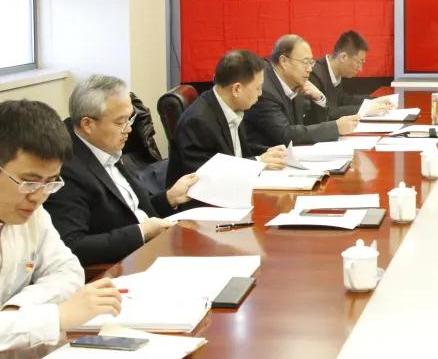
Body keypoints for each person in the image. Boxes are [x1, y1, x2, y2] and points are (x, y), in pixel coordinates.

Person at [0, 99, 121, 351]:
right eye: (29, 182)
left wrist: (17, 309)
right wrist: (55, 317)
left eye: (51, 183)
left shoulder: (33, 213)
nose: (39, 196)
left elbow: (68, 271)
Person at [46, 76, 200, 266]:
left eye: (130, 119)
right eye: (120, 122)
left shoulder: (104, 145)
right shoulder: (65, 169)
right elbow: (73, 246)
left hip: (154, 247)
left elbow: (131, 210)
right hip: (125, 265)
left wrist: (169, 198)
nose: (129, 129)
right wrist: (141, 232)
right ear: (87, 124)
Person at [165, 49, 288, 187]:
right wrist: (258, 162)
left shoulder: (232, 106)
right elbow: (206, 176)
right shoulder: (198, 122)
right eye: (257, 88)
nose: (260, 94)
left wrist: (267, 153)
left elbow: (237, 154)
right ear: (236, 89)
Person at [245, 34, 361, 154]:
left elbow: (308, 125)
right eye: (305, 62)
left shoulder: (295, 82)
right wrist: (336, 127)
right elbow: (286, 135)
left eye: (311, 62)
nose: (309, 69)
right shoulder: (265, 89)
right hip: (263, 159)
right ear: (284, 61)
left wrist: (319, 98)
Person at [308, 30, 394, 120]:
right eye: (359, 62)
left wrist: (374, 100)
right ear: (343, 57)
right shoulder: (314, 75)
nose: (360, 69)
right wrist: (365, 109)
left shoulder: (334, 71)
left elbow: (343, 100)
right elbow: (326, 114)